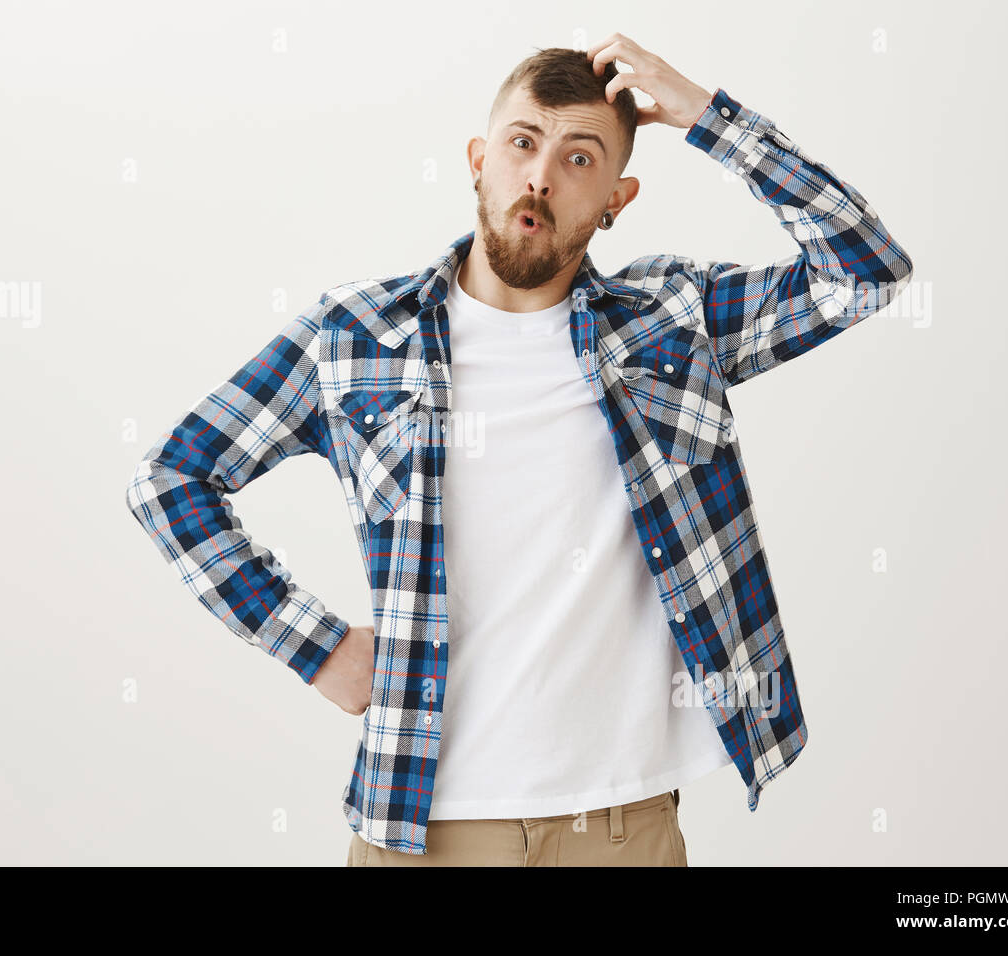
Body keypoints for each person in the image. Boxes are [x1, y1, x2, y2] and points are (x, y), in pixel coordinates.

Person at [125, 33, 914, 866]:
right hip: (423, 826)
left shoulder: (672, 320)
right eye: (523, 143)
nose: (540, 176)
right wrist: (314, 647)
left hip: (622, 827)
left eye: (581, 158)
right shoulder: (354, 335)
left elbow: (866, 271)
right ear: (478, 158)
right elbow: (172, 479)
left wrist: (705, 116)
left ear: (618, 198)